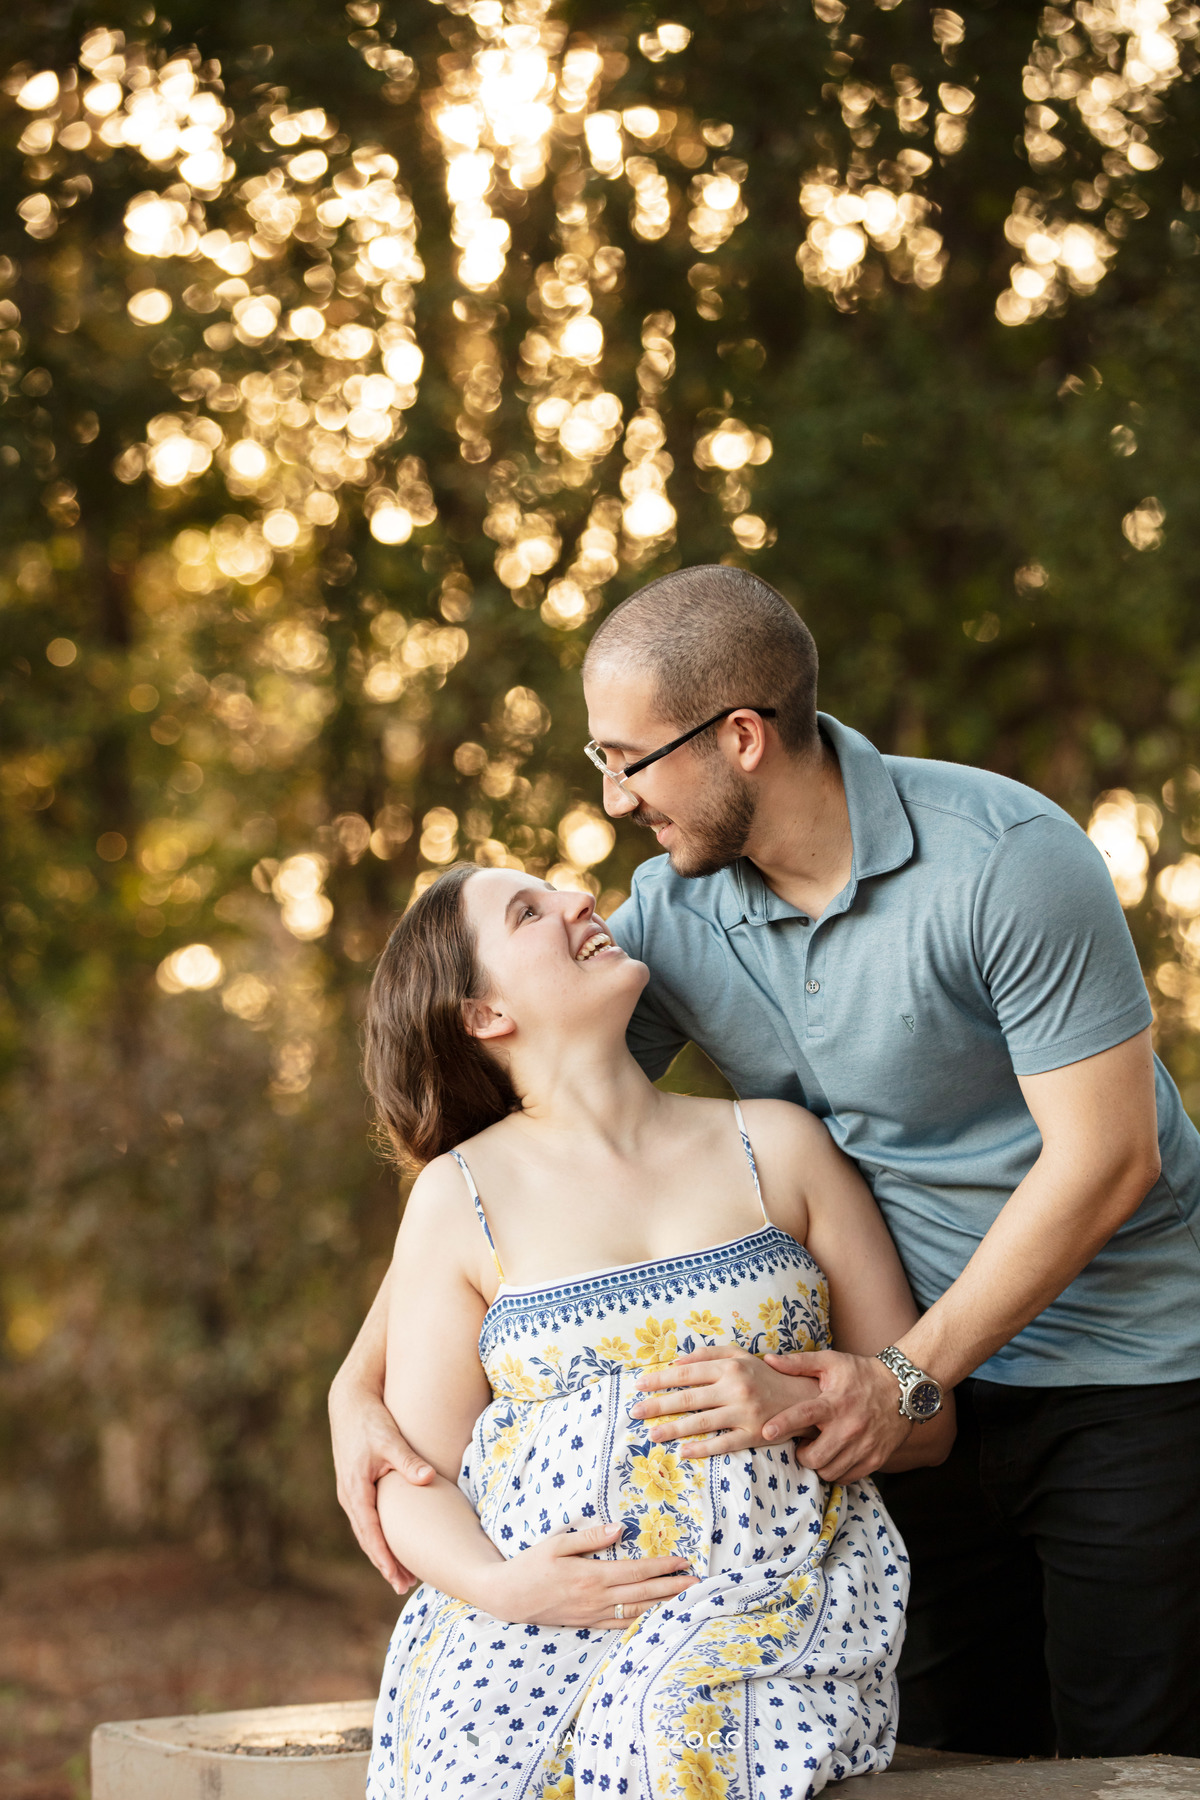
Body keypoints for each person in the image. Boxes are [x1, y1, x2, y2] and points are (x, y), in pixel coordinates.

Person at [331, 565, 1200, 1761]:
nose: (615, 798)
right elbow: (518, 1160)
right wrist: (358, 1379)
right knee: (954, 1757)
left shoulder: (1004, 860)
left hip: (1123, 1373)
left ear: (739, 737)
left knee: (1134, 1756)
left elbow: (1112, 1157)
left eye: (625, 758)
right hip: (889, 1402)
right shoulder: (668, 921)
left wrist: (900, 1375)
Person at [358, 858, 954, 1798]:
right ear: (484, 1016)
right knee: (480, 1769)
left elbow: (924, 1417)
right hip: (528, 1617)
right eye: (529, 912)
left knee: (668, 1725)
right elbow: (411, 1479)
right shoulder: (458, 1198)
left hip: (766, 1606)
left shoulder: (779, 1146)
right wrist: (505, 1587)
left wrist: (796, 1405)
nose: (578, 902)